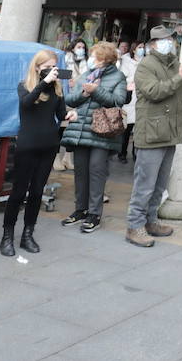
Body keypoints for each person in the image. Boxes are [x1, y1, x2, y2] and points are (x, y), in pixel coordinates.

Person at [126, 26, 182, 247]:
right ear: (152, 44)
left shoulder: (173, 62)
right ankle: (134, 226)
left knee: (159, 185)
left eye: (170, 39)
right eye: (163, 40)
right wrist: (181, 75)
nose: (169, 43)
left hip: (169, 132)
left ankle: (151, 221)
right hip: (152, 133)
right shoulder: (145, 66)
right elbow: (155, 92)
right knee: (145, 185)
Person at [1, 51, 75, 257]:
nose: (53, 70)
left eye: (55, 67)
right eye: (49, 66)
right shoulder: (25, 86)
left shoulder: (57, 88)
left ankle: (27, 234)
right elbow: (26, 104)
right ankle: (7, 236)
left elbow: (60, 115)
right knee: (18, 192)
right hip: (27, 145)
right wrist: (44, 82)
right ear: (37, 67)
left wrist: (70, 113)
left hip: (49, 145)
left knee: (36, 192)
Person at [59, 41, 128, 233]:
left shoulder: (118, 77)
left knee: (96, 170)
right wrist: (83, 92)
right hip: (81, 129)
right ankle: (80, 209)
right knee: (80, 171)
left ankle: (94, 214)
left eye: (96, 57)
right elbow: (70, 99)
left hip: (102, 131)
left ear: (106, 59)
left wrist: (96, 91)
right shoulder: (85, 75)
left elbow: (118, 101)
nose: (91, 59)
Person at [117, 41, 137, 164]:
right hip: (129, 97)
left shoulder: (144, 61)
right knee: (126, 129)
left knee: (138, 130)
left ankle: (135, 154)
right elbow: (122, 77)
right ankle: (122, 153)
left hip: (138, 99)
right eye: (139, 47)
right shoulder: (124, 61)